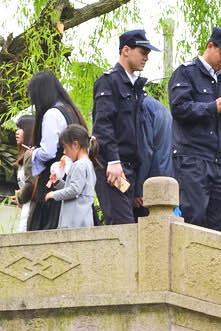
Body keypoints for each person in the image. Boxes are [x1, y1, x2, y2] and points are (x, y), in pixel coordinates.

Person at [169, 27, 221, 232]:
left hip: (220, 161)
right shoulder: (186, 73)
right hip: (192, 158)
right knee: (194, 219)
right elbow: (180, 109)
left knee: (219, 225)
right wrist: (215, 107)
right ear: (210, 46)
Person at [92, 28, 160, 223]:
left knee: (135, 228)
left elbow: (138, 137)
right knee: (122, 228)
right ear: (126, 50)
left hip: (132, 170)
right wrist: (113, 161)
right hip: (113, 167)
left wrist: (138, 185)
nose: (146, 58)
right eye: (143, 52)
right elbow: (103, 125)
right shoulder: (109, 81)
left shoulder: (136, 87)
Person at [26, 71, 86, 231]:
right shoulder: (70, 111)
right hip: (73, 177)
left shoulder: (52, 114)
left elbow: (49, 151)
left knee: (47, 231)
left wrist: (33, 153)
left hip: (54, 179)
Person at [44, 124, 96, 228]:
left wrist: (54, 195)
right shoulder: (89, 165)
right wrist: (58, 182)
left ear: (75, 144)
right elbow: (78, 190)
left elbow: (74, 190)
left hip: (74, 222)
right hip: (84, 221)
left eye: (65, 147)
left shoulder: (79, 165)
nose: (64, 152)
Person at [139, 92, 173, 182]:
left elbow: (145, 149)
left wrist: (139, 185)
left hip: (152, 177)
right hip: (169, 174)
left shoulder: (143, 107)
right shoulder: (162, 108)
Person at [13, 115, 35, 228]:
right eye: (16, 128)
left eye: (20, 128)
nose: (16, 132)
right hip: (25, 207)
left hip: (32, 209)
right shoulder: (24, 156)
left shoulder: (31, 154)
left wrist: (20, 198)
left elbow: (31, 184)